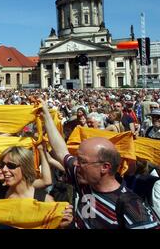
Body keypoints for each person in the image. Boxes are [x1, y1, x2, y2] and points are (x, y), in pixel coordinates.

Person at [41, 98, 159, 229]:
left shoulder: (132, 209)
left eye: (82, 161)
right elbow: (62, 152)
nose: (75, 164)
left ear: (105, 167)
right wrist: (46, 114)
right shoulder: (86, 186)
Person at [0, 145, 73, 229]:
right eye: (2, 165)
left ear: (25, 167)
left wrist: (60, 226)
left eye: (11, 165)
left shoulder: (45, 201)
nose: (4, 169)